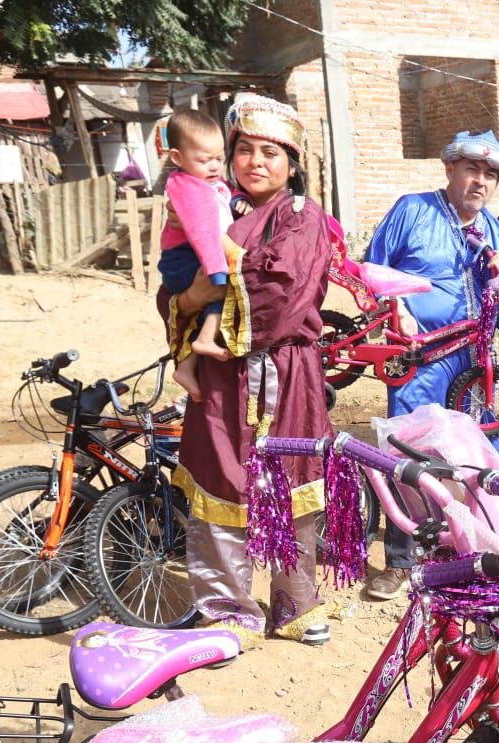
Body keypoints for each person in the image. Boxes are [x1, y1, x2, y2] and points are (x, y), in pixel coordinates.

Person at [163, 93, 333, 648]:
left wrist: (205, 293)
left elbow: (282, 297)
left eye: (271, 153)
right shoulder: (211, 205)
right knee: (218, 487)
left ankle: (295, 604)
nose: (256, 163)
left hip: (286, 378)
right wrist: (188, 298)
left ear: (291, 164)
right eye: (245, 151)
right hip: (219, 379)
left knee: (291, 488)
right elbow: (175, 283)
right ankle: (227, 609)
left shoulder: (304, 219)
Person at [362, 130, 499, 599]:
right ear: (450, 168)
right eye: (472, 169)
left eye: (491, 175)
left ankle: (467, 555)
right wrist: (396, 310)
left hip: (474, 365)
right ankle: (399, 560)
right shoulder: (412, 209)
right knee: (411, 455)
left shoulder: (493, 228)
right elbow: (370, 273)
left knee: (473, 457)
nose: (481, 182)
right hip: (420, 360)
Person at [158, 110, 241, 402]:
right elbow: (203, 232)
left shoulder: (208, 183)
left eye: (220, 158)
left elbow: (226, 197)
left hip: (197, 255)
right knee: (226, 286)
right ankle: (205, 339)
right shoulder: (189, 189)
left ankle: (187, 365)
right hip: (185, 258)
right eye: (205, 160)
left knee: (221, 292)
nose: (215, 166)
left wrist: (239, 201)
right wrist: (217, 269)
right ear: (178, 158)